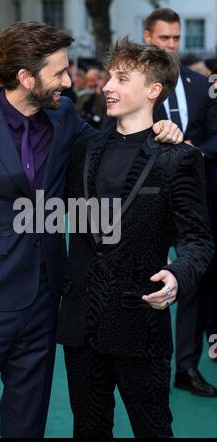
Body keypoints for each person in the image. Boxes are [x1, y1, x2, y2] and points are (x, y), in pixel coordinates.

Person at [0, 21, 182, 438]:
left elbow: (111, 145)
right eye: (59, 72)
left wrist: (161, 129)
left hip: (44, 303)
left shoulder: (64, 119)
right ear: (26, 77)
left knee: (28, 425)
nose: (68, 80)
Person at [56, 38, 214, 438]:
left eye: (121, 78)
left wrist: (177, 274)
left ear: (153, 90)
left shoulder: (178, 158)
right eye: (109, 76)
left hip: (139, 322)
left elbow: (198, 240)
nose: (108, 85)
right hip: (81, 326)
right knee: (88, 434)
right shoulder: (84, 149)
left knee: (154, 430)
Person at [144, 7, 217, 394]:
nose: (171, 45)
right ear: (148, 38)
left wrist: (193, 151)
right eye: (164, 38)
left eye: (176, 38)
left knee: (191, 281)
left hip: (195, 200)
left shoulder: (200, 83)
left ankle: (186, 367)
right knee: (143, 277)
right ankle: (141, 364)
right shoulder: (132, 85)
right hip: (147, 201)